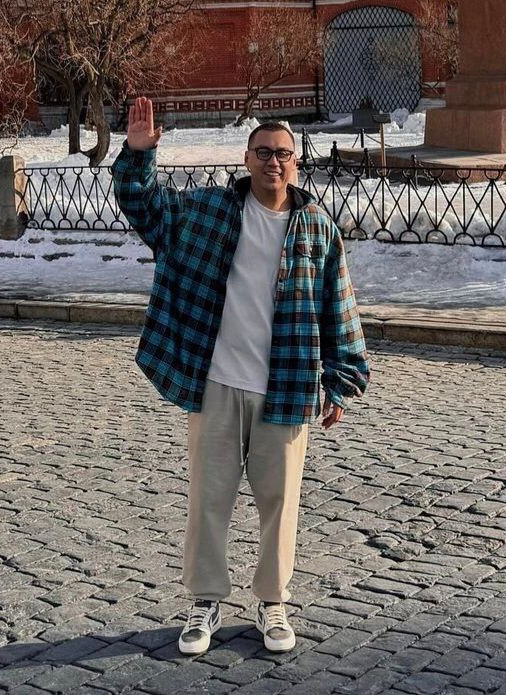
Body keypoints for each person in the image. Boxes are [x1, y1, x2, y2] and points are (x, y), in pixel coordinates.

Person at [112, 97, 370, 655]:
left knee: (281, 501)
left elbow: (338, 306)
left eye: (283, 153)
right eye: (263, 152)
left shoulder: (318, 229)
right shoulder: (209, 212)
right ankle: (204, 600)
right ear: (246, 159)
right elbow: (145, 207)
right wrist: (138, 154)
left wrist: (340, 380)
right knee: (209, 498)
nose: (273, 161)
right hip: (218, 382)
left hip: (288, 384)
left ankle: (273, 601)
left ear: (296, 162)